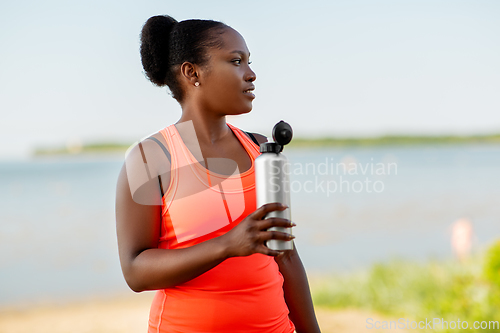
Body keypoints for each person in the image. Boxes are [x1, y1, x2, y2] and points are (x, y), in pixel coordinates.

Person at [115, 14, 321, 333]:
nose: (251, 74)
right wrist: (227, 245)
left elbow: (287, 256)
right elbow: (135, 271)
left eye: (250, 62)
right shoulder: (149, 158)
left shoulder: (263, 150)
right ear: (192, 72)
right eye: (236, 61)